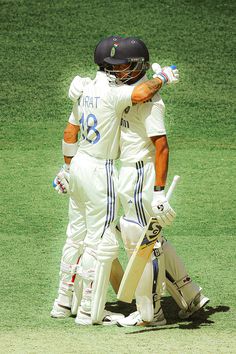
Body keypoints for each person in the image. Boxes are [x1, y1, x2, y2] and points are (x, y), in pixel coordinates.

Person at [51, 35, 178, 325]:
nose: (120, 71)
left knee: (75, 235)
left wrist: (66, 169)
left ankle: (62, 300)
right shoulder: (113, 93)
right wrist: (162, 76)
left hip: (79, 165)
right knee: (99, 240)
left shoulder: (82, 89)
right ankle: (87, 310)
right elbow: (141, 93)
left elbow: (70, 133)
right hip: (100, 170)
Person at [102, 38, 209, 326]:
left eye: (122, 65)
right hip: (129, 173)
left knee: (141, 239)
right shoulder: (126, 90)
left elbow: (161, 146)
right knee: (152, 237)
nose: (116, 71)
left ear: (137, 66)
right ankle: (190, 294)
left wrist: (159, 191)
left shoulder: (150, 101)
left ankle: (151, 313)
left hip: (140, 174)